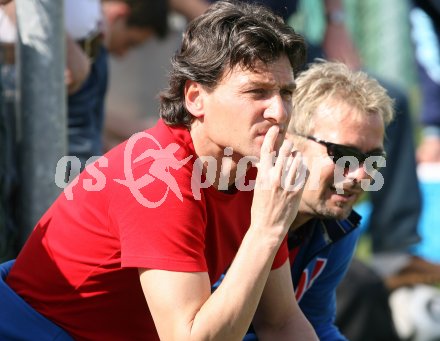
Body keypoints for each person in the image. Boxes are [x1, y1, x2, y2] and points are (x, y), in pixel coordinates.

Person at [1, 2, 319, 340]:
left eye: (286, 93)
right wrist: (267, 230)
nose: (280, 112)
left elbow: (281, 321)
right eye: (257, 92)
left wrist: (265, 229)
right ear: (196, 98)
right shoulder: (155, 177)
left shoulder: (251, 169)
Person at [279, 60, 394, 340]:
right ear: (288, 140)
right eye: (343, 153)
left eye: (373, 159)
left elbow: (316, 324)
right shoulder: (232, 210)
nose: (361, 175)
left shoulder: (337, 227)